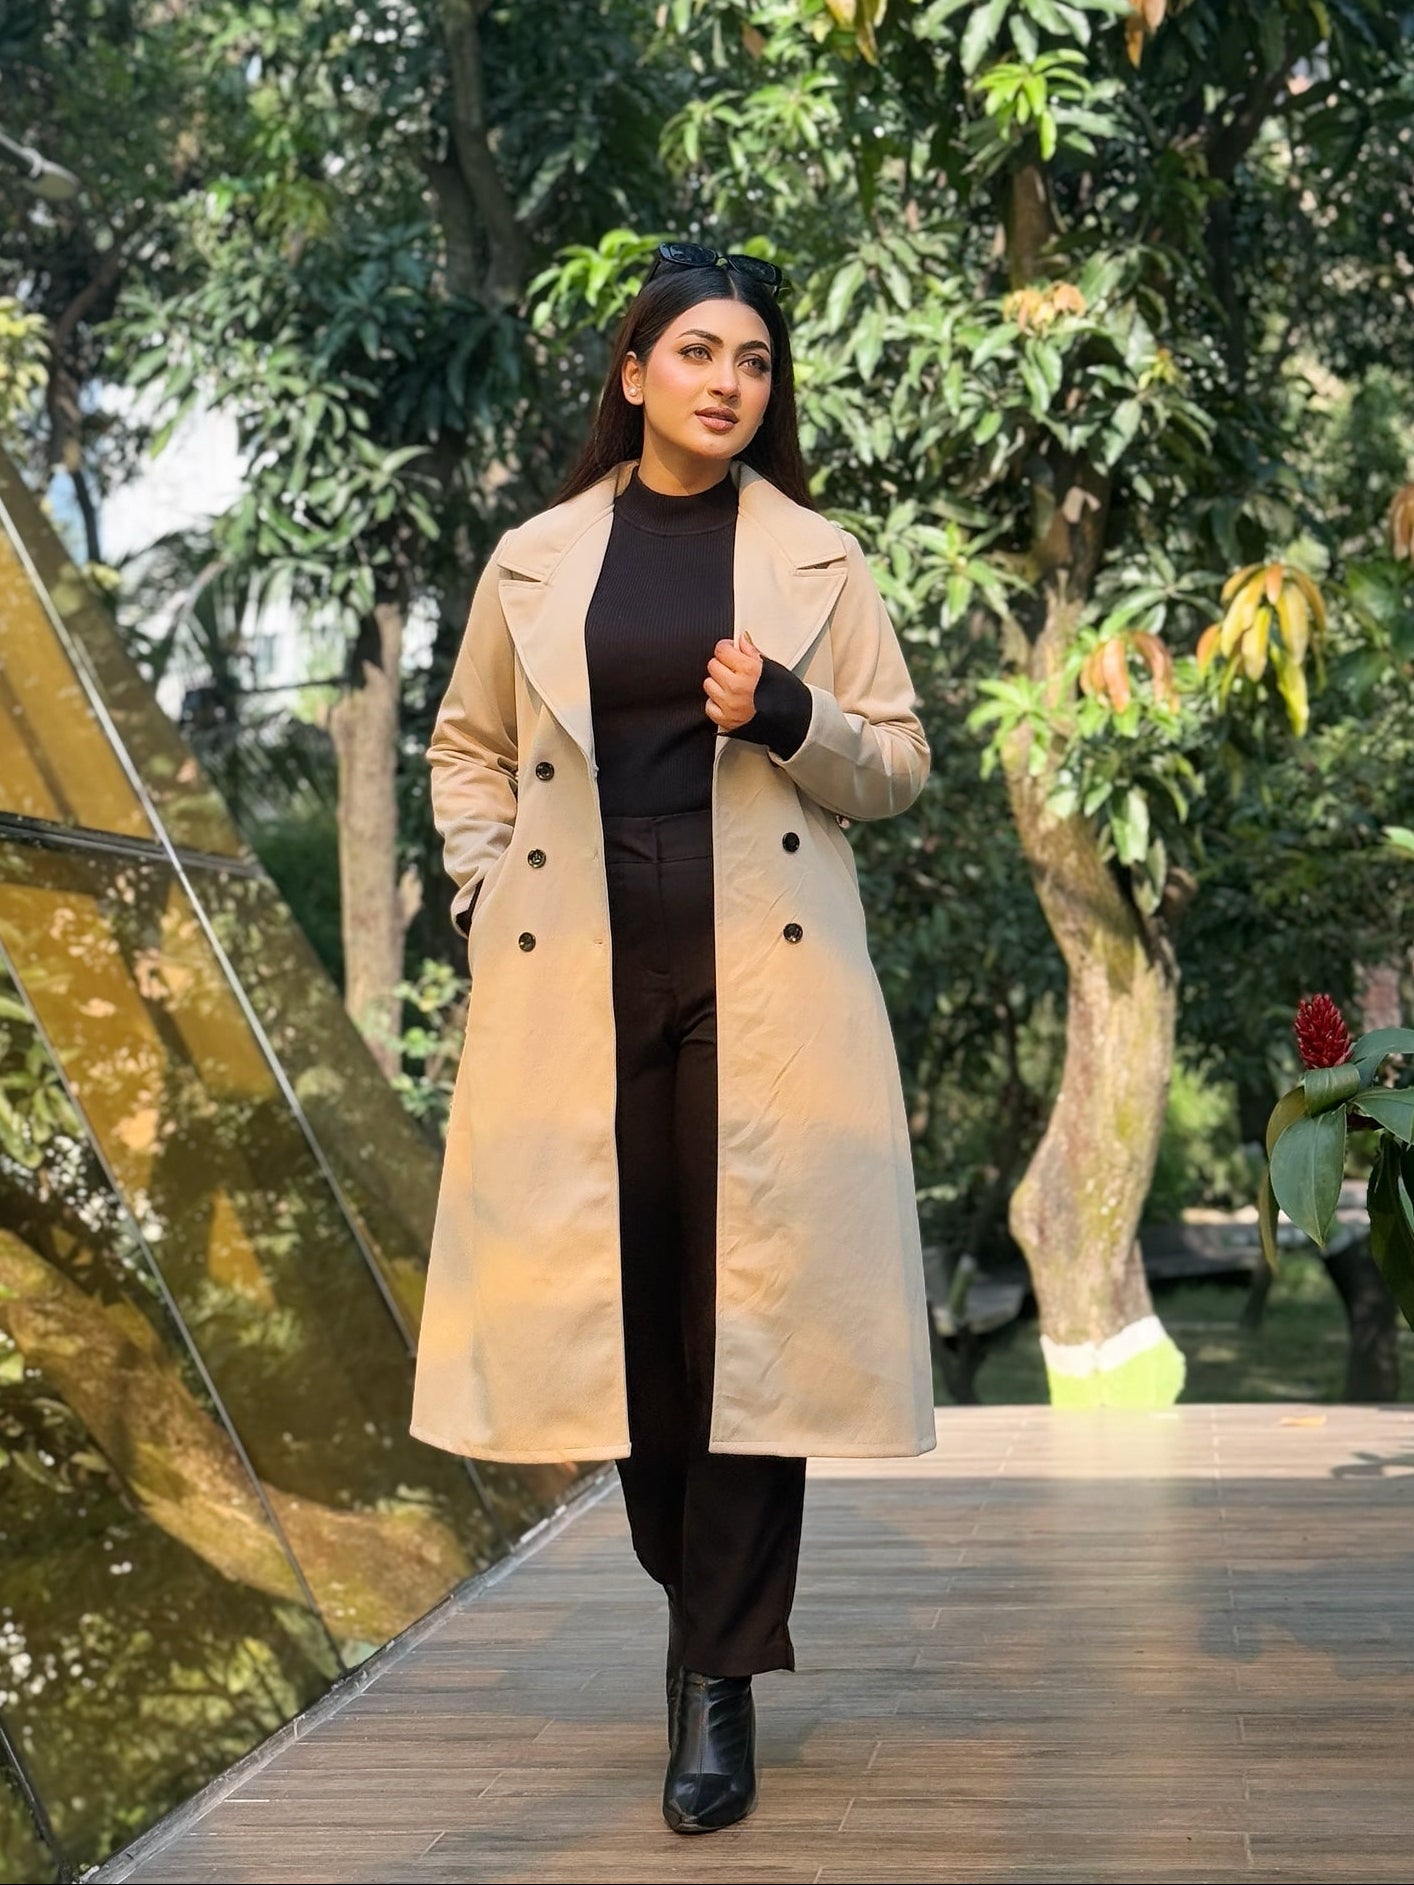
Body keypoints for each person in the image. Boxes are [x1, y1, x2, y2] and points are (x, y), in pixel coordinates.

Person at [411, 241, 936, 1835]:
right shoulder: (537, 558)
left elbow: (901, 765)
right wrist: (479, 894)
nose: (727, 382)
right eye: (697, 351)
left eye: (755, 362)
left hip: (761, 976)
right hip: (576, 968)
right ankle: (693, 1607)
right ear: (633, 372)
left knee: (747, 1330)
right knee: (635, 1321)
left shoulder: (818, 563)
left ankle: (713, 1677)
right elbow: (468, 747)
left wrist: (789, 711)